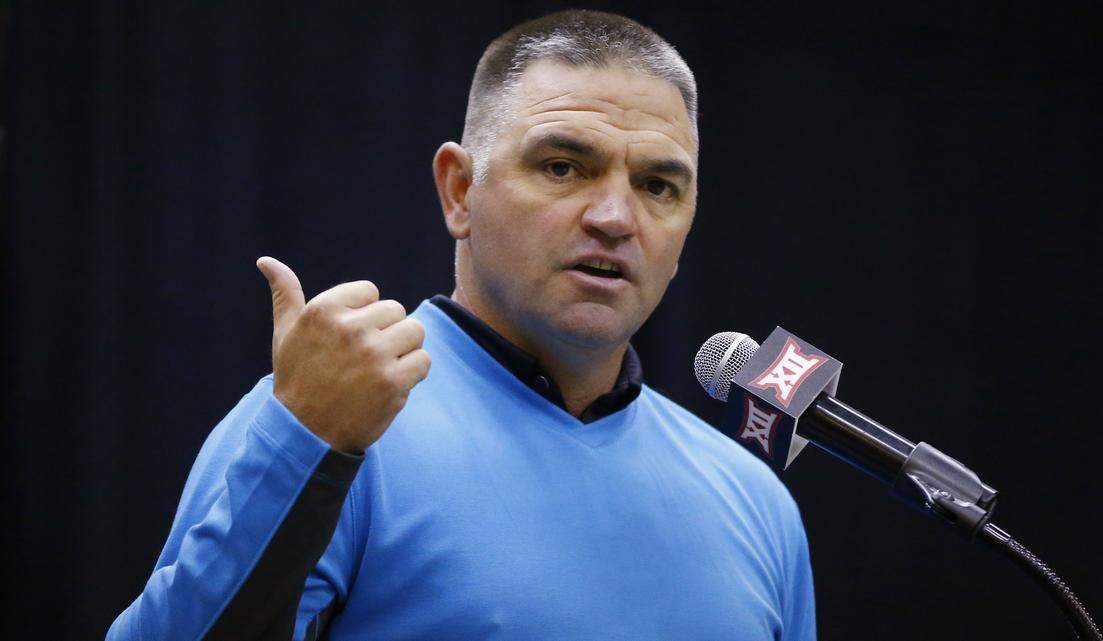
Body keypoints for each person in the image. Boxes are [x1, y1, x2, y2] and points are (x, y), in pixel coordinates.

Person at [107, 10, 816, 641]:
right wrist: (304, 445)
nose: (615, 218)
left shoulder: (756, 503)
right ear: (459, 191)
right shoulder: (332, 428)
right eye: (565, 165)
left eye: (658, 186)